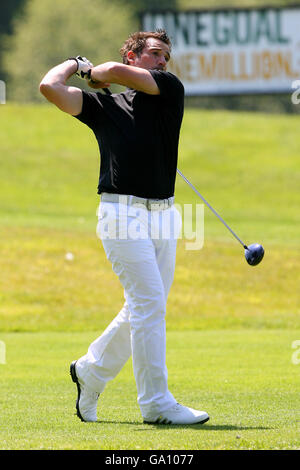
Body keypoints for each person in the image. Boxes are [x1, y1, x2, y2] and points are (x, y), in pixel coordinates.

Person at [39, 29, 209, 425]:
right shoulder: (103, 107)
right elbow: (50, 86)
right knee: (149, 303)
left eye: (166, 55)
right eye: (154, 53)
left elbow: (112, 70)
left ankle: (90, 371)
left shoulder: (169, 89)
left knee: (145, 307)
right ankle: (156, 403)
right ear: (135, 56)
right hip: (121, 215)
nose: (163, 60)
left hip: (164, 215)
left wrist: (96, 71)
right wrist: (77, 65)